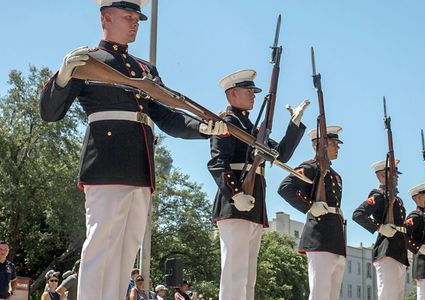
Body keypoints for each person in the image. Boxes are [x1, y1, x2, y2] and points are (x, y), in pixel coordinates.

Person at [39, 1, 227, 299]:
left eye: (137, 18)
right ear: (105, 18)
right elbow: (50, 113)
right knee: (101, 244)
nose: (135, 22)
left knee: (127, 249)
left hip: (140, 165)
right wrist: (63, 76)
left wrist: (202, 128)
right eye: (128, 17)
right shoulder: (89, 60)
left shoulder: (145, 69)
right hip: (106, 162)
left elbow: (166, 115)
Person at [208, 69, 307, 300]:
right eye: (248, 90)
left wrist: (294, 125)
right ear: (232, 94)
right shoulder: (227, 122)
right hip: (235, 203)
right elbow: (217, 162)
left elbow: (280, 155)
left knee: (248, 277)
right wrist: (234, 194)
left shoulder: (252, 128)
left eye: (254, 91)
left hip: (253, 203)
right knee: (235, 273)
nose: (253, 95)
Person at [278, 126, 345, 300]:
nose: (337, 147)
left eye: (337, 143)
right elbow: (286, 188)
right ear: (320, 145)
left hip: (335, 236)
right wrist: (310, 206)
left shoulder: (335, 175)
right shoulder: (310, 167)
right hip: (319, 235)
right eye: (333, 143)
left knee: (332, 293)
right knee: (320, 292)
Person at [352, 159, 409, 299]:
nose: (397, 178)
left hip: (399, 252)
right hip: (387, 250)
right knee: (387, 295)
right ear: (382, 176)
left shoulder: (397, 199)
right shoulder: (378, 195)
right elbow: (358, 214)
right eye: (394, 174)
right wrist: (380, 228)